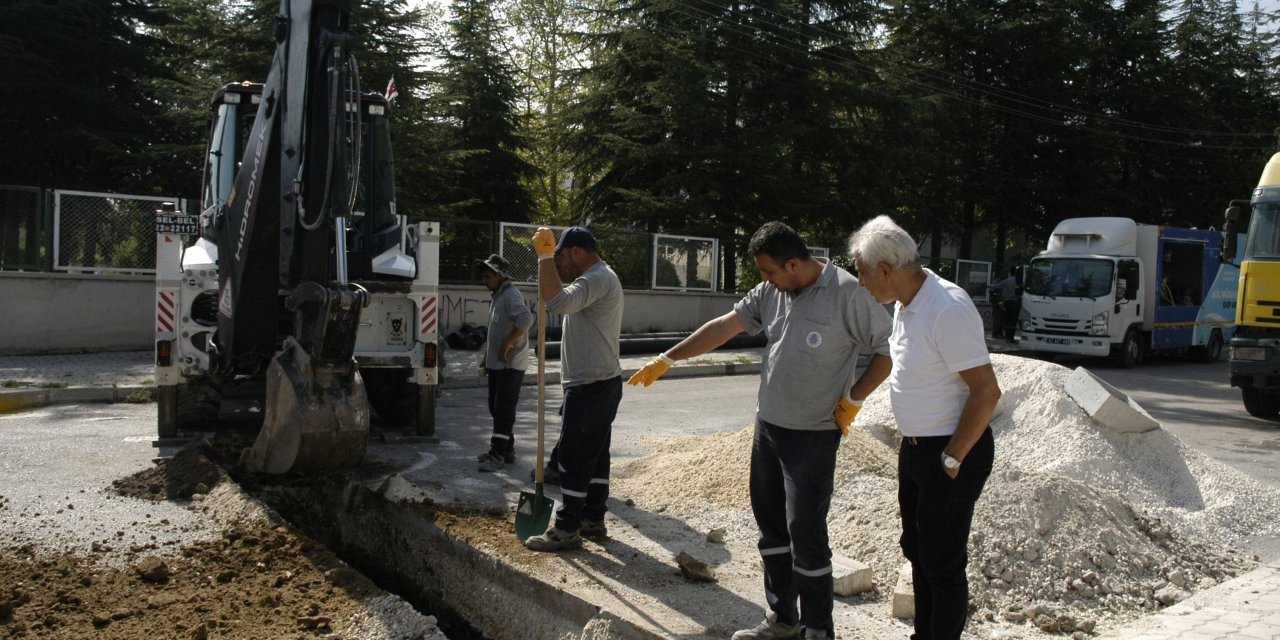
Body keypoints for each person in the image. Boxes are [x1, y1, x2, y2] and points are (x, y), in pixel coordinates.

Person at [628, 221, 892, 640]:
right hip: (768, 429)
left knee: (805, 532)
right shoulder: (775, 291)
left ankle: (818, 628)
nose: (763, 281)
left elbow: (885, 352)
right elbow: (724, 326)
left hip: (813, 435)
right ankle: (783, 618)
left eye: (769, 271)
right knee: (770, 527)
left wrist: (854, 400)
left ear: (793, 263)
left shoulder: (847, 293)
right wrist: (668, 358)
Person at [848, 215, 1000, 640]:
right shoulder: (905, 305)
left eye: (861, 273)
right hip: (916, 448)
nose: (860, 282)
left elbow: (986, 392)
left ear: (884, 270)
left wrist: (951, 457)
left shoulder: (946, 307)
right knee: (917, 551)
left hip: (952, 450)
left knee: (942, 562)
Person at [523, 226, 624, 552]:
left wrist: (543, 258)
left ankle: (567, 528)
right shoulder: (601, 278)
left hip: (590, 385)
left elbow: (556, 301)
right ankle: (592, 519)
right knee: (596, 458)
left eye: (562, 256)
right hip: (600, 382)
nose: (561, 264)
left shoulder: (595, 279)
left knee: (575, 457)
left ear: (577, 251)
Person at [474, 254, 533, 473]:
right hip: (497, 364)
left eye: (488, 276)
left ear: (500, 276)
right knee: (495, 407)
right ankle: (507, 450)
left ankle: (497, 454)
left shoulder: (510, 295)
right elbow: (497, 330)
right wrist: (487, 356)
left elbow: (526, 320)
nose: (485, 280)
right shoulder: (498, 295)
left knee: (503, 410)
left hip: (511, 364)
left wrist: (509, 343)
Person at [988, 267, 1019, 341]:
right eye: (1004, 272)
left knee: (1002, 318)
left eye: (1006, 272)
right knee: (1000, 318)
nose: (1005, 274)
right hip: (1001, 301)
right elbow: (994, 289)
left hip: (1003, 301)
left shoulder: (1005, 281)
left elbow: (993, 287)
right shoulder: (1012, 281)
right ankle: (999, 333)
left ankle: (1000, 333)